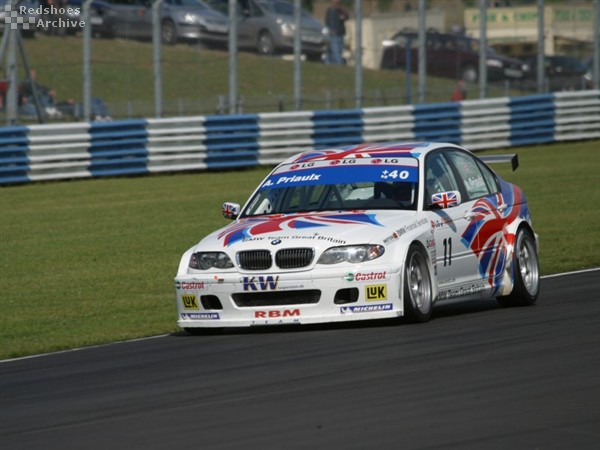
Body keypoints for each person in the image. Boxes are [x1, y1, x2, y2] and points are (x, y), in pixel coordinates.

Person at [324, 0, 349, 65]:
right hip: (333, 35)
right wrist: (330, 30)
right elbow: (327, 22)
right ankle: (339, 64)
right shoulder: (330, 11)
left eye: (339, 3)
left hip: (340, 34)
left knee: (339, 50)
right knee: (335, 51)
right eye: (336, 3)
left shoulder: (341, 11)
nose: (337, 4)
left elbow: (346, 16)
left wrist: (343, 16)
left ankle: (333, 64)